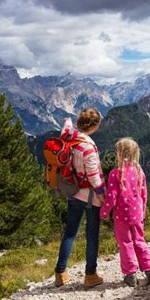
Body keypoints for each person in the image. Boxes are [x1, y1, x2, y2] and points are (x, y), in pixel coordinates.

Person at [54, 108, 106, 288]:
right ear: (94, 126)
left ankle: (60, 273)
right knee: (92, 235)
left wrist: (67, 121)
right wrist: (104, 197)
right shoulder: (88, 147)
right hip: (91, 197)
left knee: (70, 233)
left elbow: (65, 128)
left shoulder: (70, 136)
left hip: (72, 191)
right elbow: (94, 178)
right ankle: (90, 275)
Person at [100, 137, 150, 287]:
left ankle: (130, 275)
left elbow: (111, 197)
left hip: (121, 216)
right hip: (138, 215)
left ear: (120, 154)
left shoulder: (115, 173)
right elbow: (144, 195)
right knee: (139, 241)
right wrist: (143, 211)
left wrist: (104, 212)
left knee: (126, 243)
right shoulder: (140, 171)